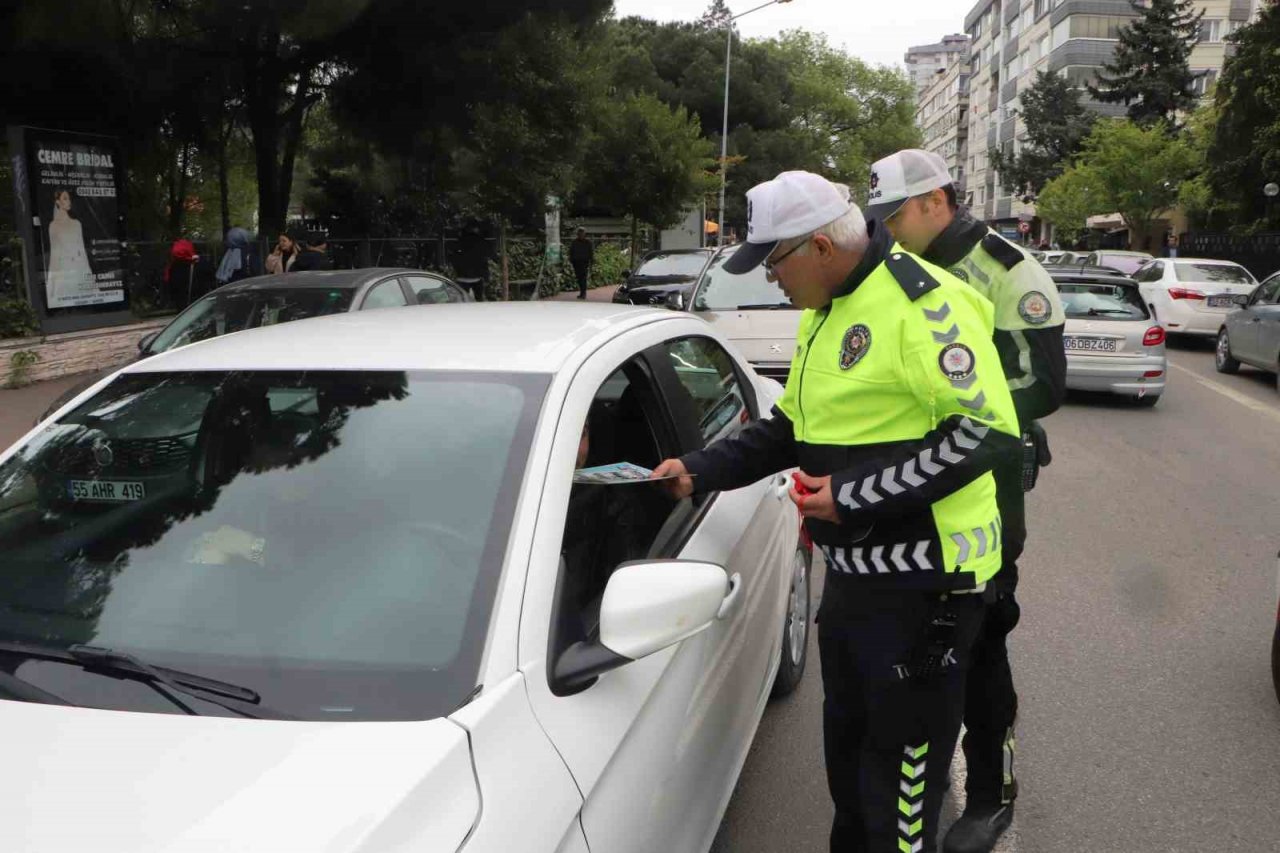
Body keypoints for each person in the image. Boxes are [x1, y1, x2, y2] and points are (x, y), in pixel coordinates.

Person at [650, 170, 1021, 853]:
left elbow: (984, 434)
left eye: (773, 263)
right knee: (849, 774)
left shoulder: (927, 304)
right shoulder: (828, 310)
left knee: (900, 799)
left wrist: (851, 495)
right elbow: (791, 426)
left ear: (819, 246)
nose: (771, 280)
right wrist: (700, 469)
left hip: (927, 588)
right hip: (856, 583)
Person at [867, 148, 1067, 853]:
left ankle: (991, 793)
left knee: (982, 638)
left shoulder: (1008, 272)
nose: (887, 230)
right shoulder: (891, 268)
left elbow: (1043, 384)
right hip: (911, 479)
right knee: (921, 636)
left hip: (988, 480)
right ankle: (907, 786)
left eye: (895, 216)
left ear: (933, 201)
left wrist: (947, 413)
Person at [45, 189, 95, 307]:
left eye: (69, 198)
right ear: (58, 202)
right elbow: (54, 253)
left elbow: (82, 249)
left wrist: (88, 273)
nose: (68, 201)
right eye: (65, 198)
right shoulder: (53, 226)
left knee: (85, 302)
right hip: (64, 268)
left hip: (80, 266)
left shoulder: (77, 224)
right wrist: (53, 279)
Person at [568, 227, 594, 299]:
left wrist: (591, 261)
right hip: (576, 262)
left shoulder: (588, 242)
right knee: (579, 278)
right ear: (578, 234)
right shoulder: (574, 242)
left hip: (584, 262)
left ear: (584, 234)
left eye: (582, 233)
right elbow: (571, 251)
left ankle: (583, 293)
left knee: (583, 278)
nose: (581, 235)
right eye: (579, 233)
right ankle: (582, 292)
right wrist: (571, 259)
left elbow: (591, 253)